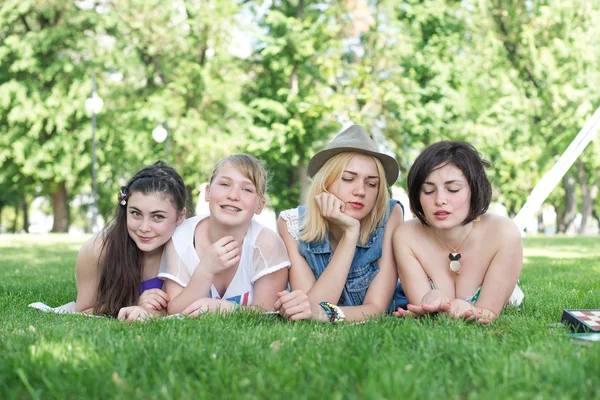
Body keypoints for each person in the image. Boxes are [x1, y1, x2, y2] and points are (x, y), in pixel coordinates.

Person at [275, 124, 405, 323]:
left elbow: (376, 309)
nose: (360, 191)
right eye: (348, 179)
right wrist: (350, 234)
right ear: (325, 182)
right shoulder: (293, 224)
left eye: (371, 184)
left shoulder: (389, 214)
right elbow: (309, 309)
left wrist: (327, 314)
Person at [393, 141, 524, 323]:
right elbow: (426, 311)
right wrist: (430, 299)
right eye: (429, 190)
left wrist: (470, 310)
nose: (440, 200)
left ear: (475, 190)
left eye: (453, 189)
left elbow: (489, 312)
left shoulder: (504, 233)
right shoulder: (406, 235)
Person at [159, 154, 290, 317]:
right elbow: (175, 311)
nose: (233, 195)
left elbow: (267, 314)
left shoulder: (267, 244)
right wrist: (205, 269)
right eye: (225, 184)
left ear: (259, 205)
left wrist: (223, 308)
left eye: (247, 189)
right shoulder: (182, 237)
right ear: (207, 192)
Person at [75, 161, 188, 321]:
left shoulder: (188, 249)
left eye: (158, 217)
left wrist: (153, 312)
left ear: (180, 216)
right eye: (136, 213)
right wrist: (133, 302)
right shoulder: (98, 249)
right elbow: (82, 312)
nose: (144, 227)